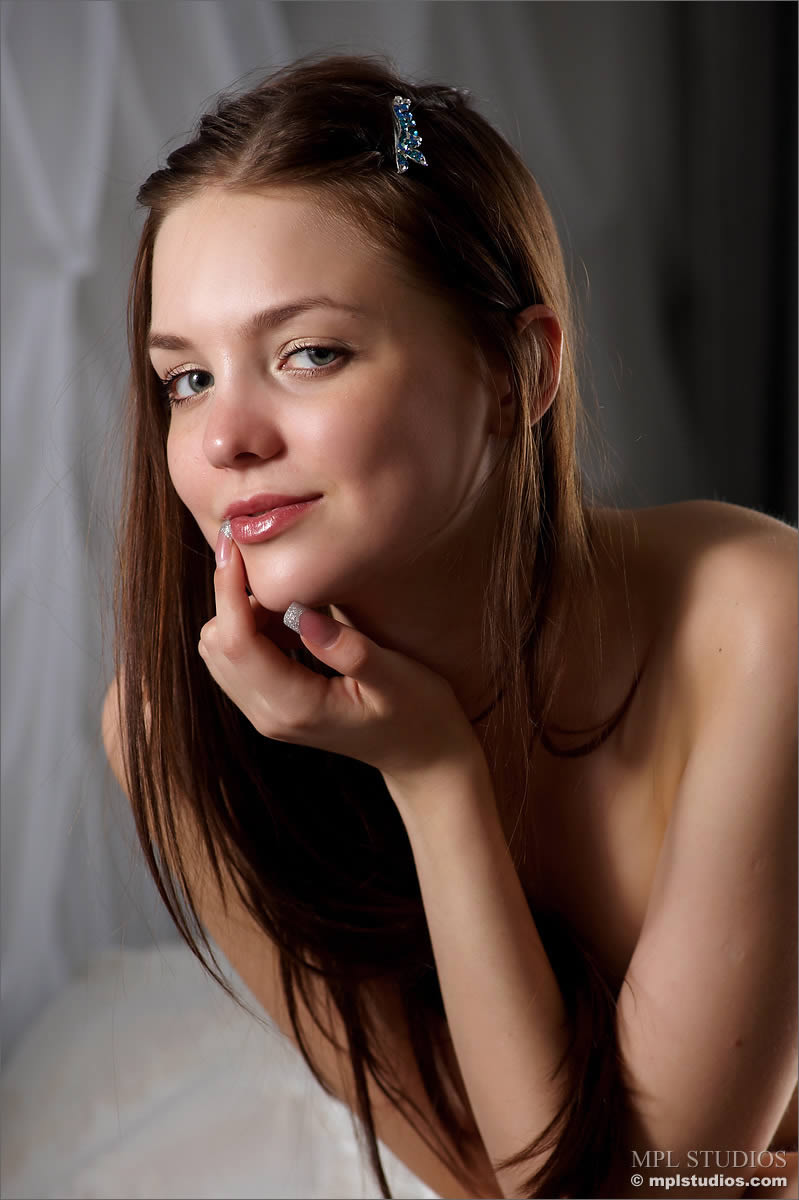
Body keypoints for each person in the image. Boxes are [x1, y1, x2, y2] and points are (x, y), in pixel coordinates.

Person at [101, 51, 797, 1200]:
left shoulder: (756, 623)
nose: (224, 440)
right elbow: (501, 1182)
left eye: (308, 354)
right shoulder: (174, 734)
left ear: (517, 371)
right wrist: (431, 773)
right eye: (187, 380)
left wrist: (430, 772)